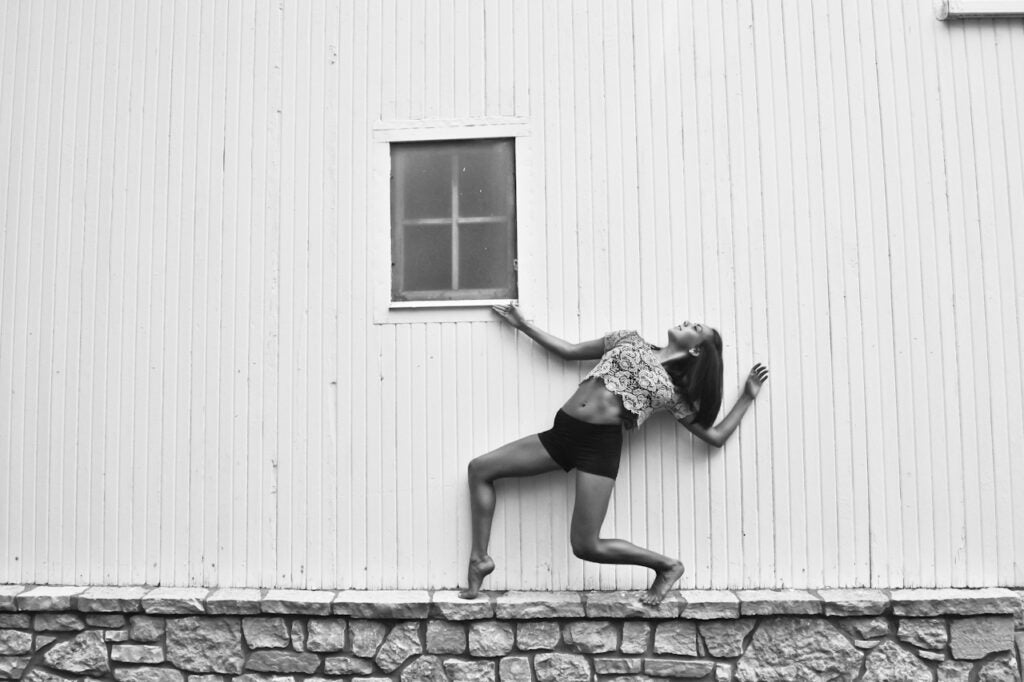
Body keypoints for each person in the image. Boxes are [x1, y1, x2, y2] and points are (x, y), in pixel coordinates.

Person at [458, 303, 769, 605]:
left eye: (695, 327)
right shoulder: (627, 339)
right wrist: (523, 325)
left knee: (585, 545)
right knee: (480, 469)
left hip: (599, 447)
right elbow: (569, 351)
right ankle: (480, 558)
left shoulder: (674, 391)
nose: (687, 321)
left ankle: (666, 565)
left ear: (697, 350)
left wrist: (746, 397)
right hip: (562, 434)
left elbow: (713, 436)